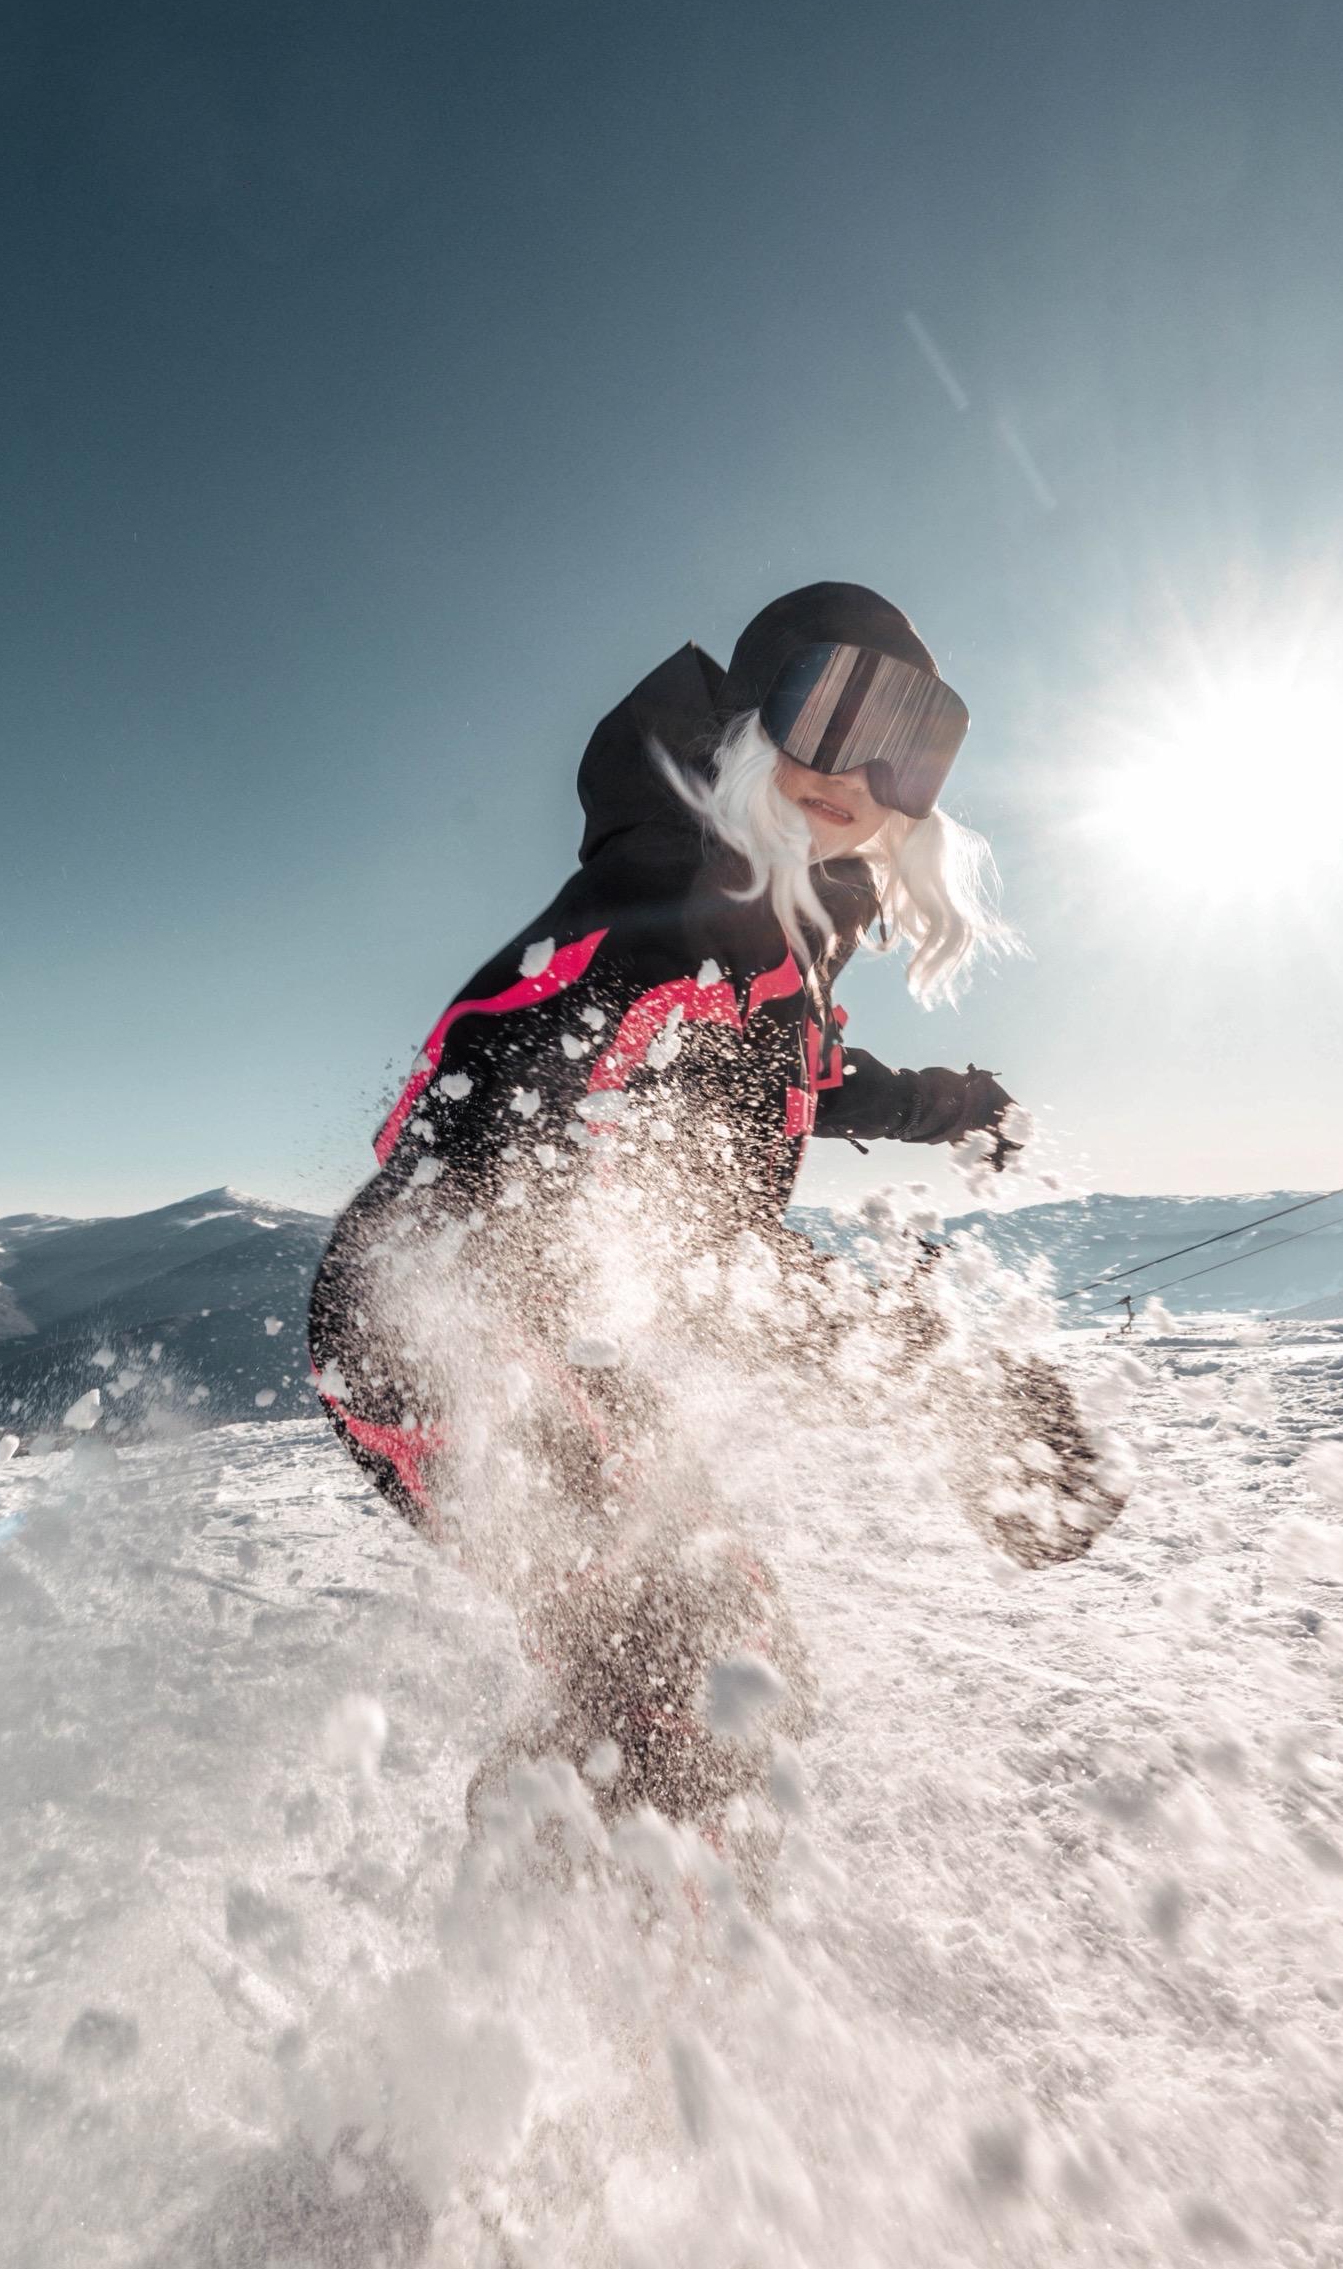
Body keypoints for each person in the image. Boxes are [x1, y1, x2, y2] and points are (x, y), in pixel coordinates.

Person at [308, 583, 1121, 1830]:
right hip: (440, 1325)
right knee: (691, 1676)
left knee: (728, 1670)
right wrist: (951, 1386)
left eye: (912, 740)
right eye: (834, 706)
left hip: (560, 1328)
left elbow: (805, 1082)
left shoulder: (771, 940)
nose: (860, 767)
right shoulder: (676, 911)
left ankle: (553, 1904)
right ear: (748, 722)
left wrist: (954, 1102)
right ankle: (583, 1945)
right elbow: (680, 1241)